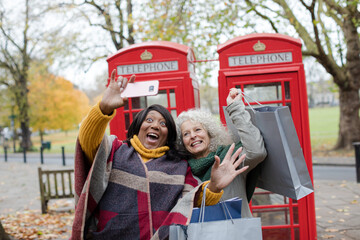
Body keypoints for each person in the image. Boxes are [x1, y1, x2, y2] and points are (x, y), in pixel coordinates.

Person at [70, 70, 249, 240]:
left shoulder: (178, 165)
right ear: (138, 125)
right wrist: (103, 108)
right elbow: (87, 141)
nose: (155, 125)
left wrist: (215, 187)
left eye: (163, 123)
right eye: (149, 120)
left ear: (168, 134)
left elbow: (191, 201)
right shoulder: (115, 150)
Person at [176, 88, 267, 218]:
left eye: (197, 130)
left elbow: (257, 152)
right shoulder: (182, 171)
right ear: (182, 141)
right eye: (186, 134)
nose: (193, 136)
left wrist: (235, 108)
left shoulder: (229, 157)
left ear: (209, 133)